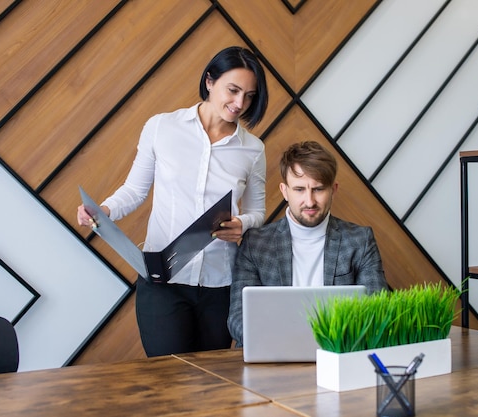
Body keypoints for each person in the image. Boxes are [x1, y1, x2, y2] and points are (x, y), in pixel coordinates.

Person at [77, 46, 269, 356]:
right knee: (167, 380)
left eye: (249, 96)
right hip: (162, 281)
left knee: (210, 384)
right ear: (209, 81)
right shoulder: (161, 127)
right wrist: (102, 211)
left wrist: (243, 225)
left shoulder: (253, 149)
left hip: (220, 285)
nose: (239, 104)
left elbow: (258, 212)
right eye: (233, 91)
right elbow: (134, 190)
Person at [227, 140, 388, 347]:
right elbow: (238, 318)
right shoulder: (256, 243)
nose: (310, 201)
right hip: (273, 356)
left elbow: (376, 309)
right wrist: (282, 344)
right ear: (284, 191)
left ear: (333, 189)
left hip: (338, 353)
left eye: (318, 189)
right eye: (300, 189)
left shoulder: (359, 240)